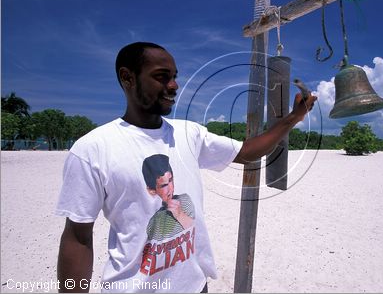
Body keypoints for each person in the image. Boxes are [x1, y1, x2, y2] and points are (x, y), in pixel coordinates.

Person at [56, 42, 317, 293]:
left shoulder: (189, 134)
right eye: (161, 76)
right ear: (128, 78)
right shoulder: (92, 149)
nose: (173, 85)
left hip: (195, 286)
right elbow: (78, 237)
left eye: (174, 76)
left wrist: (293, 118)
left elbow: (247, 152)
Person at [142, 153, 195, 240]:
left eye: (170, 180)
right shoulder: (153, 222)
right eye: (163, 185)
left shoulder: (185, 200)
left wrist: (180, 215)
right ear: (152, 190)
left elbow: (196, 232)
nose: (170, 189)